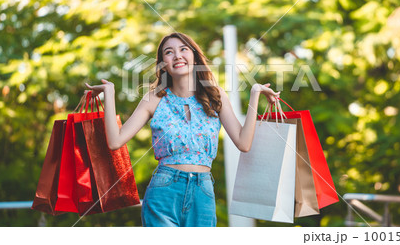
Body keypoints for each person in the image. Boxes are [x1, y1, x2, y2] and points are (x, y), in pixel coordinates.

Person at [85, 32, 280, 227]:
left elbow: (243, 143)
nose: (177, 55)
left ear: (194, 56)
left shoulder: (215, 96)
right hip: (163, 191)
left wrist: (255, 94)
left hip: (202, 193)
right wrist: (108, 94)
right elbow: (115, 141)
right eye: (169, 52)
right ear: (163, 64)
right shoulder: (154, 98)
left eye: (183, 49)